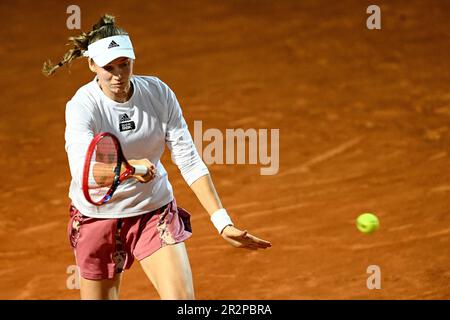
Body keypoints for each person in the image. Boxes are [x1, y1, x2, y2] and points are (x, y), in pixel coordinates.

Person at [43, 14, 271, 300]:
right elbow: (84, 173)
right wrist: (129, 168)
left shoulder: (158, 93)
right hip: (97, 218)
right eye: (108, 67)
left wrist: (222, 221)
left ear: (133, 61)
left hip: (153, 211)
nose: (118, 75)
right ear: (92, 65)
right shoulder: (82, 106)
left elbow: (188, 159)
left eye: (124, 65)